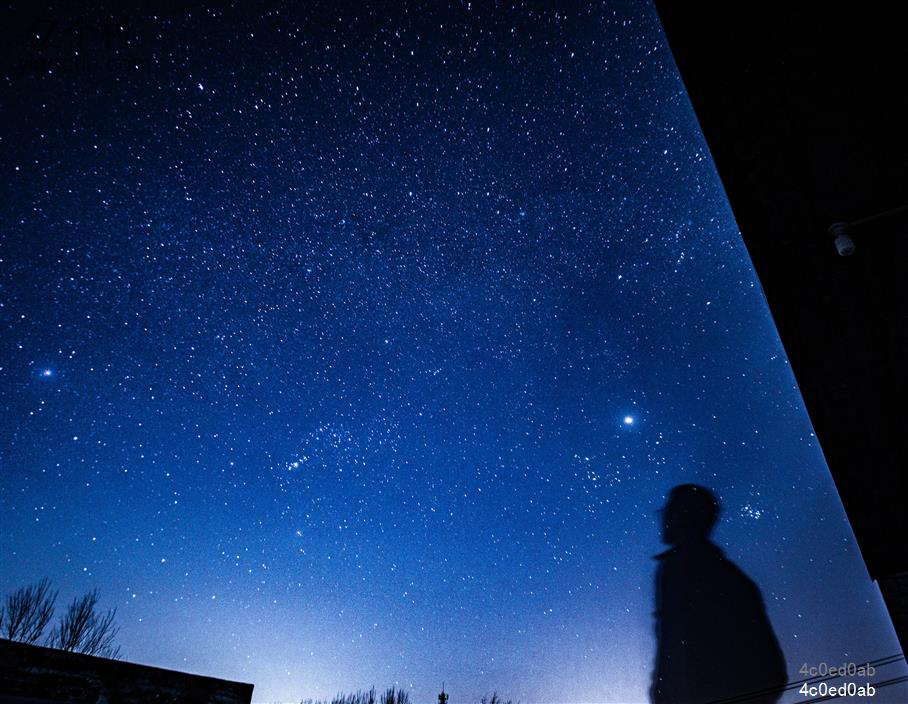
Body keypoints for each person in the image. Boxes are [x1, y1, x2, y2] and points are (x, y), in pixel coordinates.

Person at [650, 484, 787, 704]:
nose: (664, 517)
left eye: (671, 510)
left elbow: (680, 651)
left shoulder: (685, 569)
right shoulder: (726, 576)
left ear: (685, 516)